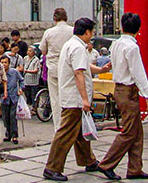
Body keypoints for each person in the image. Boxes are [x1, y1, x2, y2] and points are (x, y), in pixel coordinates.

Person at [42, 18, 112, 182]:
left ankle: (89, 160)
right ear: (87, 32)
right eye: (92, 32)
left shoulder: (71, 45)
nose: (92, 36)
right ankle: (52, 167)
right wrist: (85, 99)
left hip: (71, 96)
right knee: (66, 133)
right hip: (74, 98)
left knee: (81, 132)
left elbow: (84, 67)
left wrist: (101, 69)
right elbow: (79, 73)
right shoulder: (78, 48)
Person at [96, 13, 148, 180]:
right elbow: (138, 73)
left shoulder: (116, 44)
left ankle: (135, 168)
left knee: (137, 131)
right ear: (138, 28)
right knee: (129, 131)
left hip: (119, 89)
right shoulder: (132, 47)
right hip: (128, 91)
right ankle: (107, 163)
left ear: (122, 26)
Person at [39, 7, 73, 131]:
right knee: (69, 98)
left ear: (54, 18)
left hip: (53, 68)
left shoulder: (49, 32)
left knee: (55, 99)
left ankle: (58, 127)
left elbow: (43, 50)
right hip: (69, 68)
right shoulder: (72, 31)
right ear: (66, 17)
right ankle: (69, 126)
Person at [0, 56, 24, 144]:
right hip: (4, 98)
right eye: (2, 62)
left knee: (12, 117)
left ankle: (14, 135)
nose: (3, 64)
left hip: (13, 97)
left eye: (5, 62)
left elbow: (21, 80)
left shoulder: (14, 72)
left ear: (9, 64)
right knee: (5, 117)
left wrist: (21, 89)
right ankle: (8, 133)